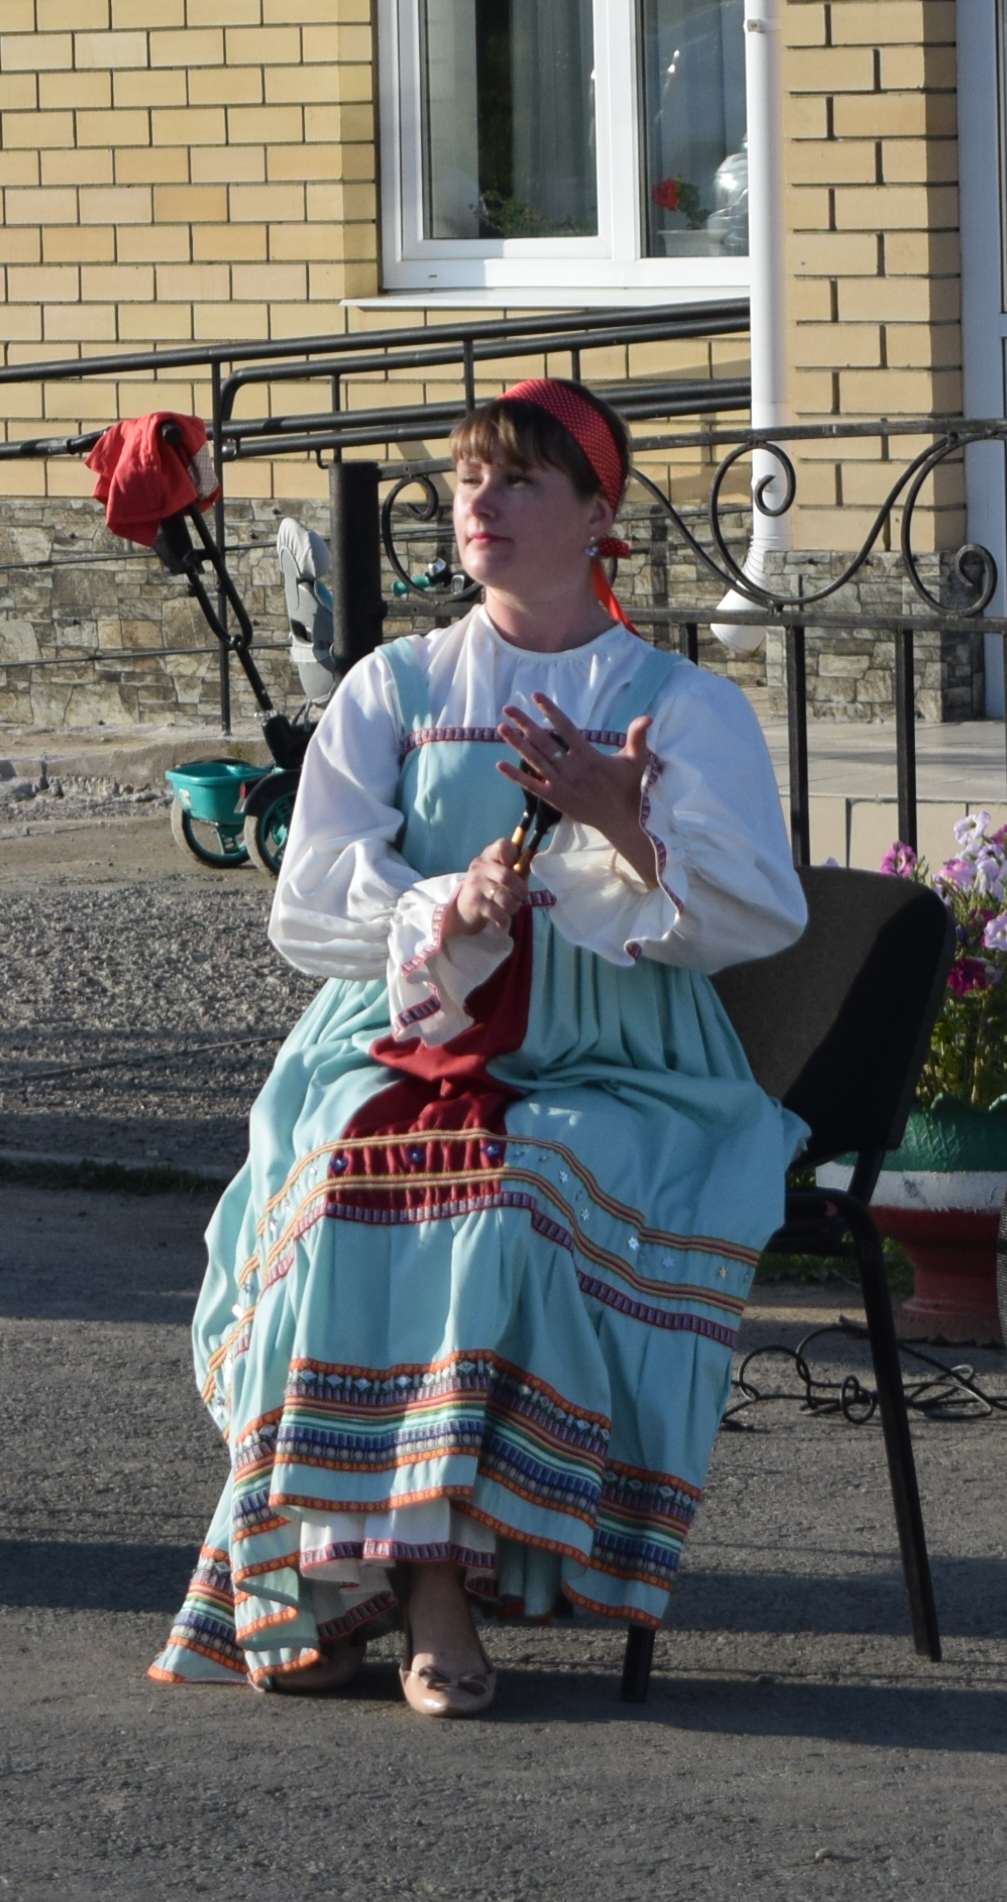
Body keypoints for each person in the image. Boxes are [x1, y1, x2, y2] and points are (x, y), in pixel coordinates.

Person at [152, 380, 806, 1715]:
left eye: (515, 481)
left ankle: (412, 1583)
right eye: (464, 479)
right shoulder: (396, 685)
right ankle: (359, 1584)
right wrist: (439, 905)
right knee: (343, 1191)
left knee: (508, 1208)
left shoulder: (673, 703)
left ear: (596, 516)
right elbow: (311, 895)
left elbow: (757, 912)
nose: (480, 503)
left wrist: (627, 825)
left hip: (614, 1056)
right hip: (408, 1029)